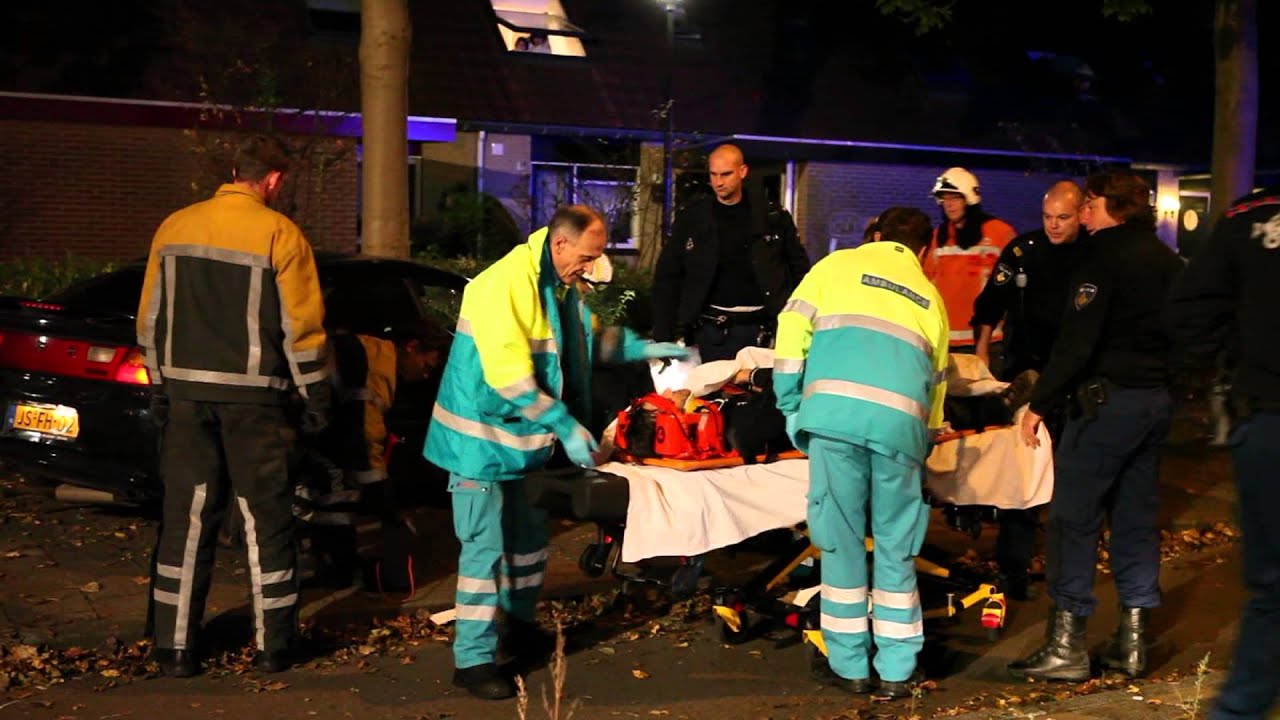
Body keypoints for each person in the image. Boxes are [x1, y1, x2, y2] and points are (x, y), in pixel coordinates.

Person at [424, 205, 689, 700]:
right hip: (479, 443)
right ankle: (474, 660)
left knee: (527, 544)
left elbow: (592, 341)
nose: (590, 267)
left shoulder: (557, 284)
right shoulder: (502, 285)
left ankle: (518, 626)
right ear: (560, 244)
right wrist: (567, 427)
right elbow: (510, 378)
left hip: (524, 444)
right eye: (586, 257)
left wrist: (648, 348)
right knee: (483, 551)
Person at [137, 135, 330, 677]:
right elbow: (303, 331)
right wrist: (316, 398)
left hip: (186, 396)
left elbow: (150, 319)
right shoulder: (280, 234)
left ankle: (174, 649)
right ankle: (276, 646)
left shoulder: (174, 227)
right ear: (273, 180)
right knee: (262, 519)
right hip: (255, 404)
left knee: (187, 519)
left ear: (232, 170)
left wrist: (160, 385)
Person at [1009, 169, 1182, 682]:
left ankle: (1066, 646)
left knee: (1073, 520)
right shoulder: (1169, 261)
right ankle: (1133, 644)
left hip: (1104, 407)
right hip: (1154, 404)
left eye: (1090, 204)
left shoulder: (1101, 258)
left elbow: (1077, 340)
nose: (1082, 212)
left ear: (1114, 207)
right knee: (1134, 518)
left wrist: (1040, 401)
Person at [774, 206, 949, 698]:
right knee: (897, 548)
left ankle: (850, 665)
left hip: (833, 423)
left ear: (873, 234)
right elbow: (936, 388)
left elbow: (790, 338)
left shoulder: (834, 268)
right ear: (926, 247)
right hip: (900, 434)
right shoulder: (931, 299)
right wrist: (925, 438)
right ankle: (897, 671)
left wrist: (793, 408)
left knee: (841, 542)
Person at [1166, 185, 1280, 720]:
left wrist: (1222, 370)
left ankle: (1240, 709)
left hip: (1267, 416)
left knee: (1272, 588)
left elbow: (1191, 311)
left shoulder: (1248, 217)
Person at [968, 179, 1087, 600]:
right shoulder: (1024, 250)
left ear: (1081, 214)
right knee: (1022, 468)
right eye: (1048, 218)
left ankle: (1066, 565)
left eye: (1063, 218)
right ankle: (1013, 566)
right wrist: (983, 346)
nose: (1054, 226)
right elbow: (992, 300)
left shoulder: (1093, 253)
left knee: (1071, 474)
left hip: (1075, 375)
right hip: (1026, 369)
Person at [294, 322, 449, 589]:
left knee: (324, 490)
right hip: (293, 429)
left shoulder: (368, 350)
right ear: (411, 347)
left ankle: (334, 567)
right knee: (338, 491)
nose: (425, 376)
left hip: (295, 425)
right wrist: (390, 509)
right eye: (426, 366)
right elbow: (366, 443)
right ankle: (336, 571)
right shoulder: (373, 370)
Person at [652, 143, 810, 362]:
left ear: (742, 172)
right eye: (713, 175)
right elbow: (668, 276)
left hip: (765, 327)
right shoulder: (693, 219)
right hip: (712, 328)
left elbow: (798, 270)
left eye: (726, 174)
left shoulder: (772, 216)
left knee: (761, 392)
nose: (718, 182)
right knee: (713, 392)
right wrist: (663, 332)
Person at [923, 166, 1018, 356]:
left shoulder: (999, 233)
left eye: (955, 197)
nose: (949, 204)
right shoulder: (937, 237)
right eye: (945, 198)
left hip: (989, 342)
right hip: (945, 342)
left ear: (969, 197)